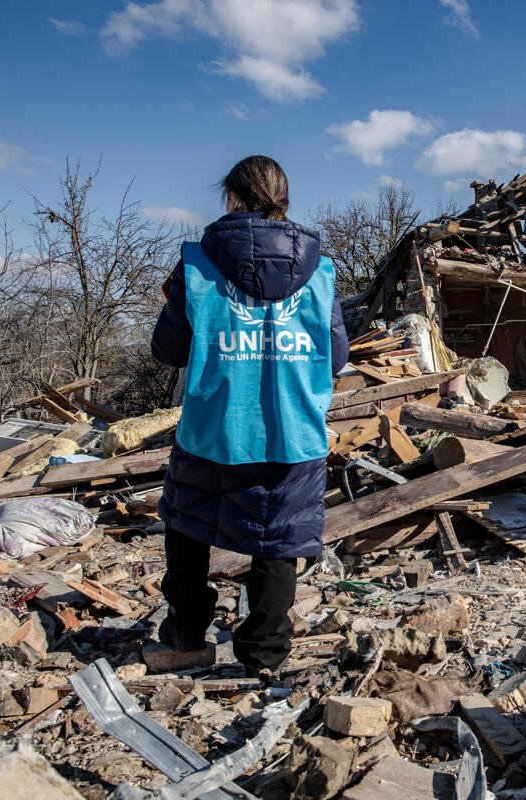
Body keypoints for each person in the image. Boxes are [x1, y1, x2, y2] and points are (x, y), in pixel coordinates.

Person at [150, 155, 349, 677]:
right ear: (283, 200)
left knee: (187, 525)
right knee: (279, 537)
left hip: (214, 427)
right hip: (294, 428)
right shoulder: (321, 271)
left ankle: (188, 635)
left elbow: (169, 350)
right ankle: (264, 657)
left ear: (232, 198)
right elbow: (337, 356)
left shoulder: (195, 264)